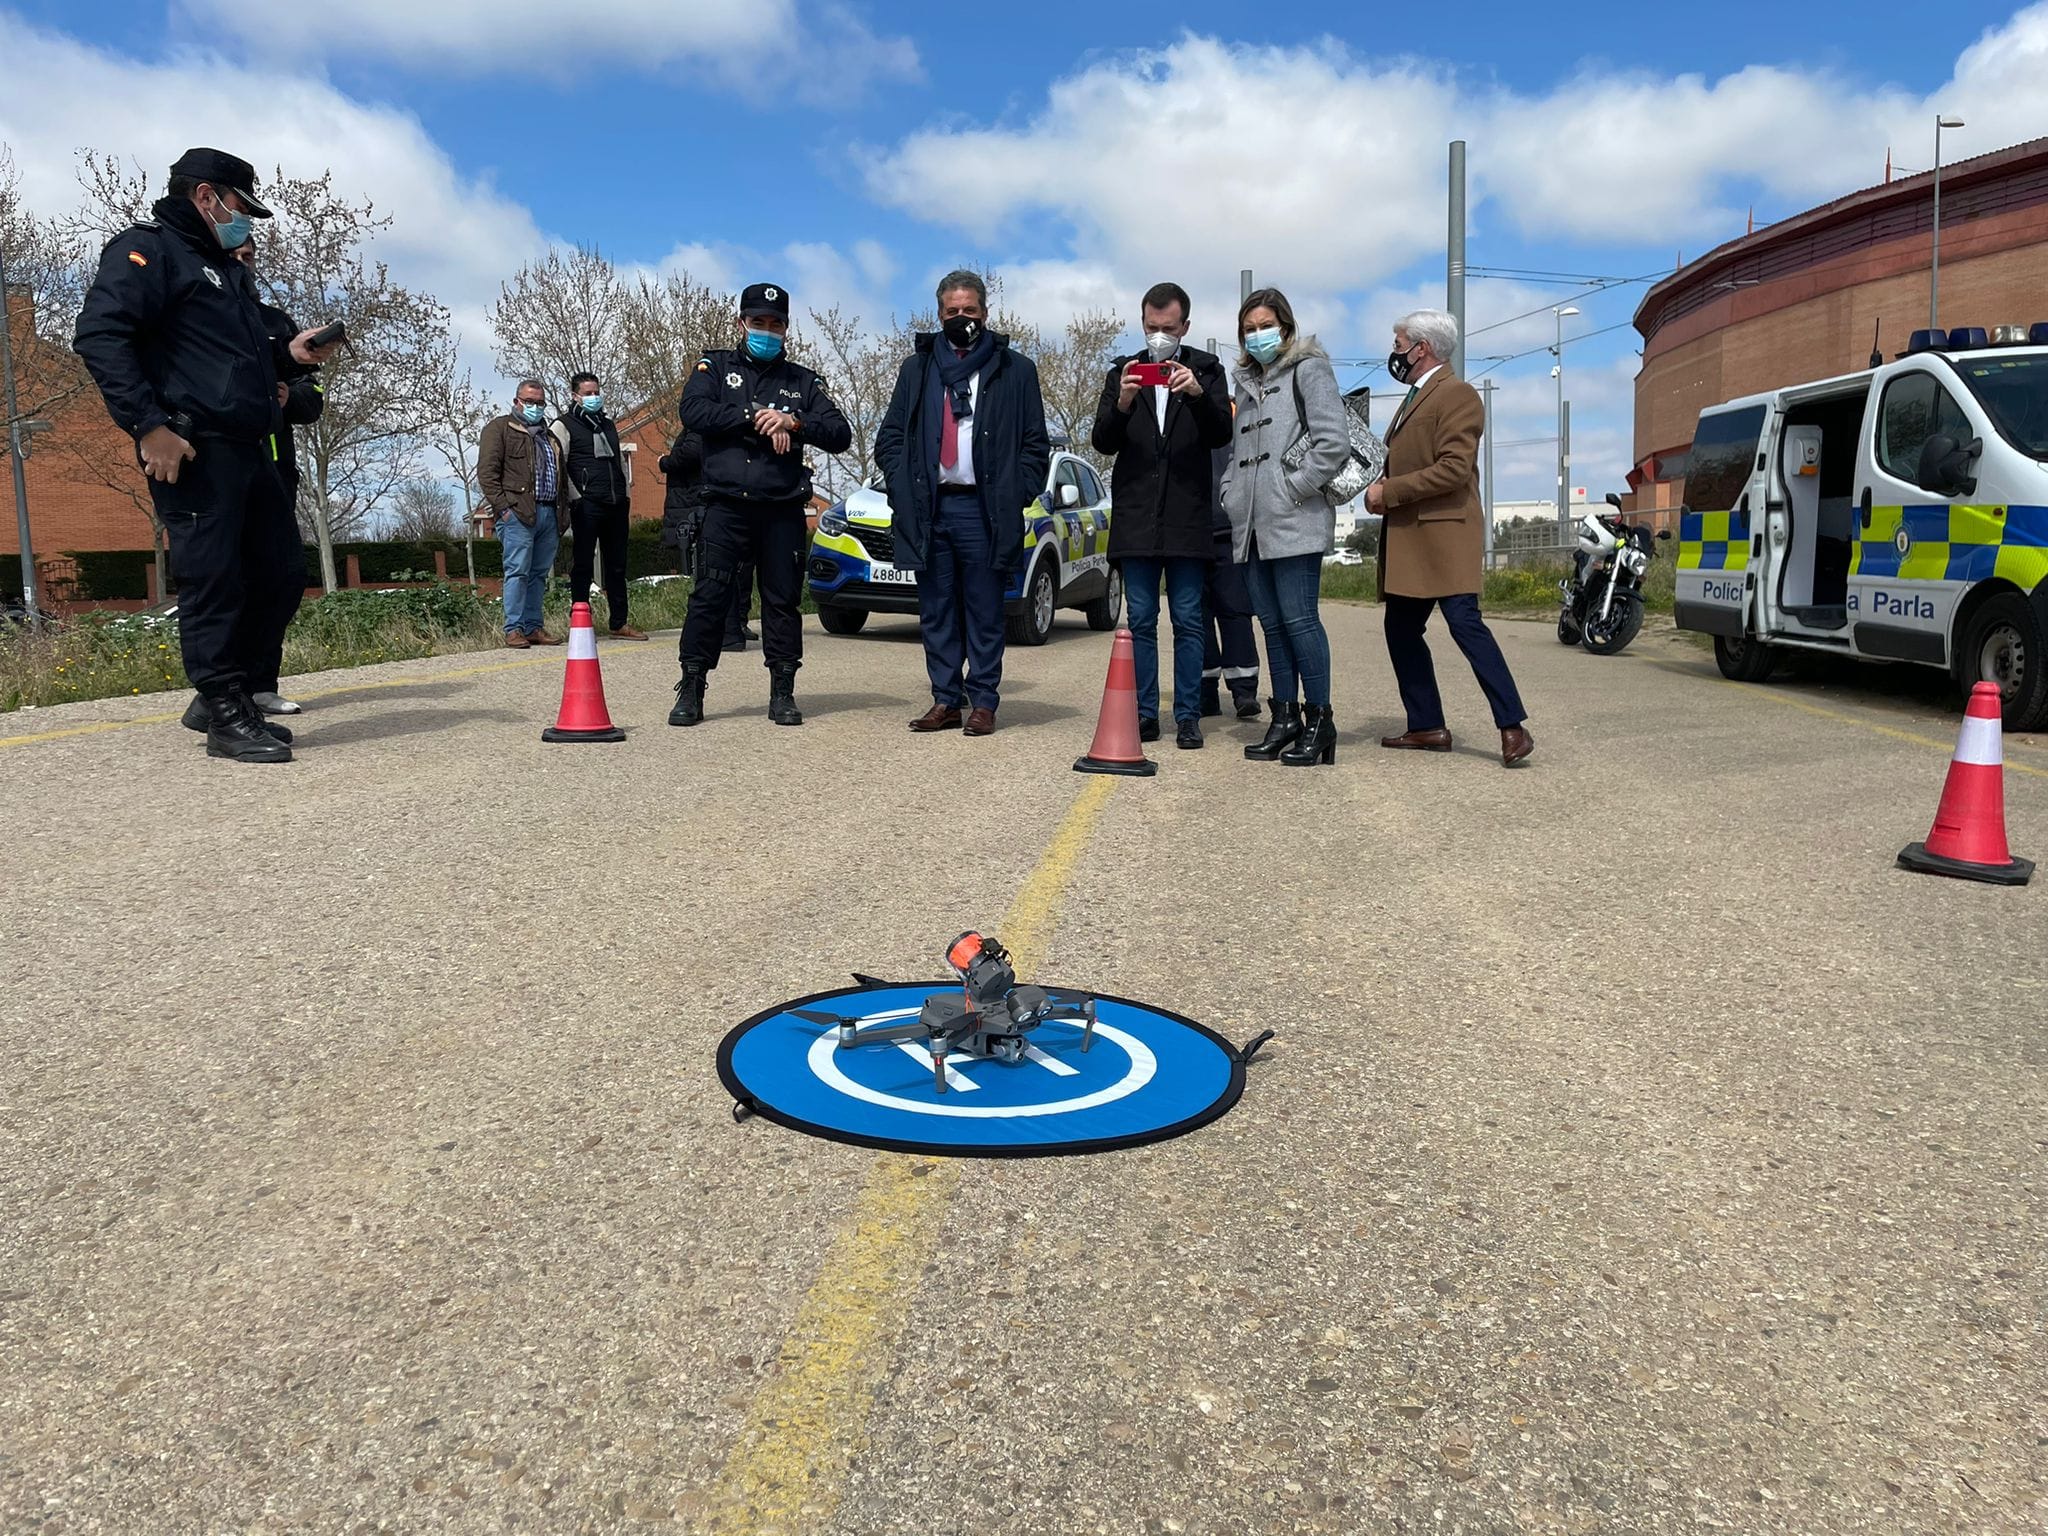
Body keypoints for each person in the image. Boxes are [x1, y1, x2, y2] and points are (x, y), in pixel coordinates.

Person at [72, 146, 341, 764]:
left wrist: (290, 357)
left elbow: (235, 361)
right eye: (241, 207)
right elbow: (100, 335)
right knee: (213, 580)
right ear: (206, 196)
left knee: (277, 574)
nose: (245, 220)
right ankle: (224, 709)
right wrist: (148, 426)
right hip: (196, 448)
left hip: (252, 451)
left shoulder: (224, 270)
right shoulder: (149, 252)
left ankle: (230, 693)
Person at [875, 270, 1050, 738]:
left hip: (985, 509)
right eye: (952, 312)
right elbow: (891, 437)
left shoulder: (1016, 370)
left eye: (969, 311)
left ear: (985, 313)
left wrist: (1019, 490)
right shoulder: (918, 369)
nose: (961, 318)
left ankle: (985, 701)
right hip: (931, 507)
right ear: (939, 314)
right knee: (936, 610)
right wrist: (900, 486)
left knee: (984, 609)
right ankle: (946, 699)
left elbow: (1036, 443)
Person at [670, 281, 851, 727]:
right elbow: (693, 413)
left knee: (782, 601)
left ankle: (783, 691)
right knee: (708, 598)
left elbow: (840, 434)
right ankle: (692, 687)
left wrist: (795, 420)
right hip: (724, 507)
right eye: (758, 323)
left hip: (781, 509)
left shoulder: (803, 381)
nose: (766, 331)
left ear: (786, 329)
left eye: (775, 324)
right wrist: (755, 417)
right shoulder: (713, 367)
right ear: (741, 323)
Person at [1367, 309, 1534, 766]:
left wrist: (1391, 491)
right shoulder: (1416, 397)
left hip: (1445, 538)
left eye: (1399, 344)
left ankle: (1512, 727)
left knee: (1465, 625)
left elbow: (1454, 469)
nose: (1394, 352)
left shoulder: (1457, 394)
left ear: (1422, 348)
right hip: (1413, 541)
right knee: (1401, 629)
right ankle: (1426, 725)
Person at [1091, 280, 1232, 749]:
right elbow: (1103, 441)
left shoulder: (1209, 370)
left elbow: (1220, 434)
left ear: (1184, 326)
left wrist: (1195, 393)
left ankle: (1189, 715)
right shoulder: (1122, 372)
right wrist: (1124, 401)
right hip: (1136, 518)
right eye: (1151, 327)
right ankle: (1145, 714)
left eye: (1167, 328)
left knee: (1190, 619)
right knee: (1143, 620)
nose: (1158, 336)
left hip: (1189, 517)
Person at [1218, 287, 1348, 767]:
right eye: (1249, 330)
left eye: (1265, 326)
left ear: (1286, 327)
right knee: (1271, 625)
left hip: (1295, 519)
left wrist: (1293, 487)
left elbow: (1333, 442)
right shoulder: (1244, 383)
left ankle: (1320, 720)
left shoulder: (1309, 369)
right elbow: (1236, 453)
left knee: (1300, 621)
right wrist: (1231, 495)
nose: (1257, 336)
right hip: (1250, 525)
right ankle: (1285, 716)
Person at [228, 239, 320, 717]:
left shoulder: (277, 324)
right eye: (235, 254)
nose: (243, 262)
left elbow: (314, 398)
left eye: (249, 256)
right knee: (230, 582)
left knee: (283, 579)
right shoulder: (201, 320)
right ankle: (223, 692)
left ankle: (261, 683)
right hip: (220, 470)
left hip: (276, 472)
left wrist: (287, 398)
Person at [555, 372, 646, 640]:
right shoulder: (564, 425)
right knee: (582, 564)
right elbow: (561, 464)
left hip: (616, 502)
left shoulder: (608, 425)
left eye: (596, 392)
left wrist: (625, 493)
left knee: (617, 564)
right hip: (586, 504)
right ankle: (581, 624)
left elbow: (617, 460)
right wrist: (577, 497)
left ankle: (619, 622)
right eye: (587, 393)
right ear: (575, 396)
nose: (594, 397)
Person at [476, 379, 564, 649]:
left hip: (549, 513)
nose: (535, 407)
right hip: (518, 514)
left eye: (540, 402)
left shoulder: (550, 437)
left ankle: (533, 626)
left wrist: (563, 516)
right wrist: (503, 509)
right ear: (517, 401)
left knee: (539, 574)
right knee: (517, 571)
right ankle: (513, 629)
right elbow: (487, 474)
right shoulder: (499, 429)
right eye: (529, 401)